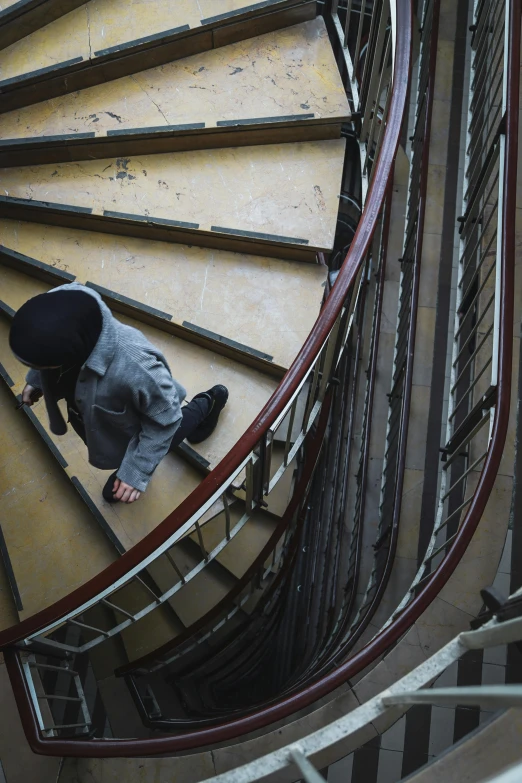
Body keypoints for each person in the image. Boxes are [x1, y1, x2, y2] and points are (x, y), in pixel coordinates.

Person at [9, 283, 228, 505]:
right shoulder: (62, 304)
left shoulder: (139, 366)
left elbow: (166, 420)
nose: (39, 370)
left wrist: (135, 472)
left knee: (171, 428)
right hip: (107, 422)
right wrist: (37, 381)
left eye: (42, 367)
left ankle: (208, 402)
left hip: (139, 424)